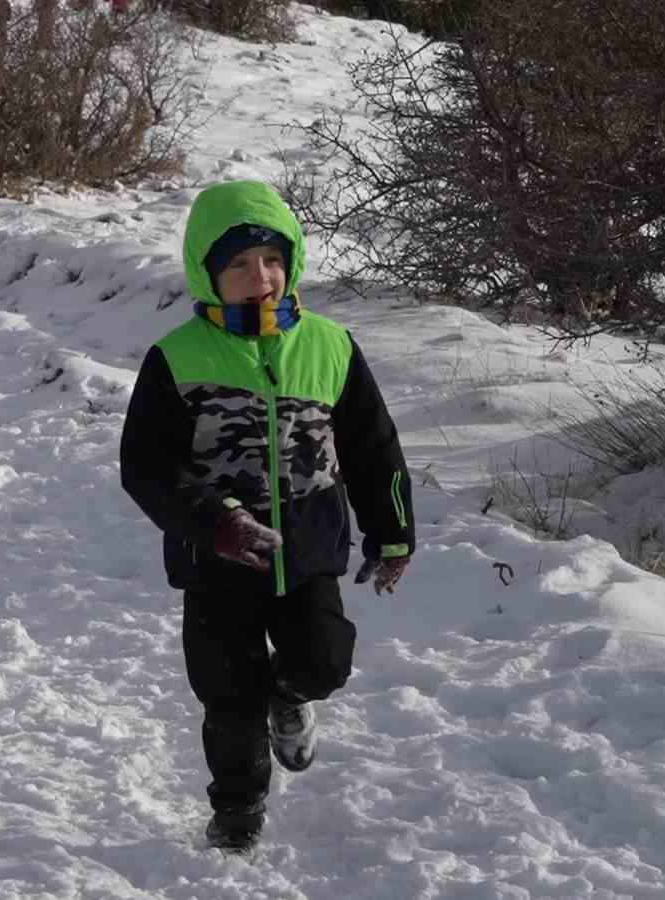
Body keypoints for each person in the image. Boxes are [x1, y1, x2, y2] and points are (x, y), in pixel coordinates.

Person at [118, 180, 415, 854]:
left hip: (308, 553)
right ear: (208, 274)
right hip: (216, 559)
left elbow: (373, 448)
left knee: (325, 660)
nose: (261, 278)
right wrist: (215, 519)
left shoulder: (330, 347)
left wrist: (392, 531)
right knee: (228, 697)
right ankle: (237, 811)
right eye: (239, 266)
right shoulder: (177, 358)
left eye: (273, 260)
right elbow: (146, 467)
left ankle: (291, 694)